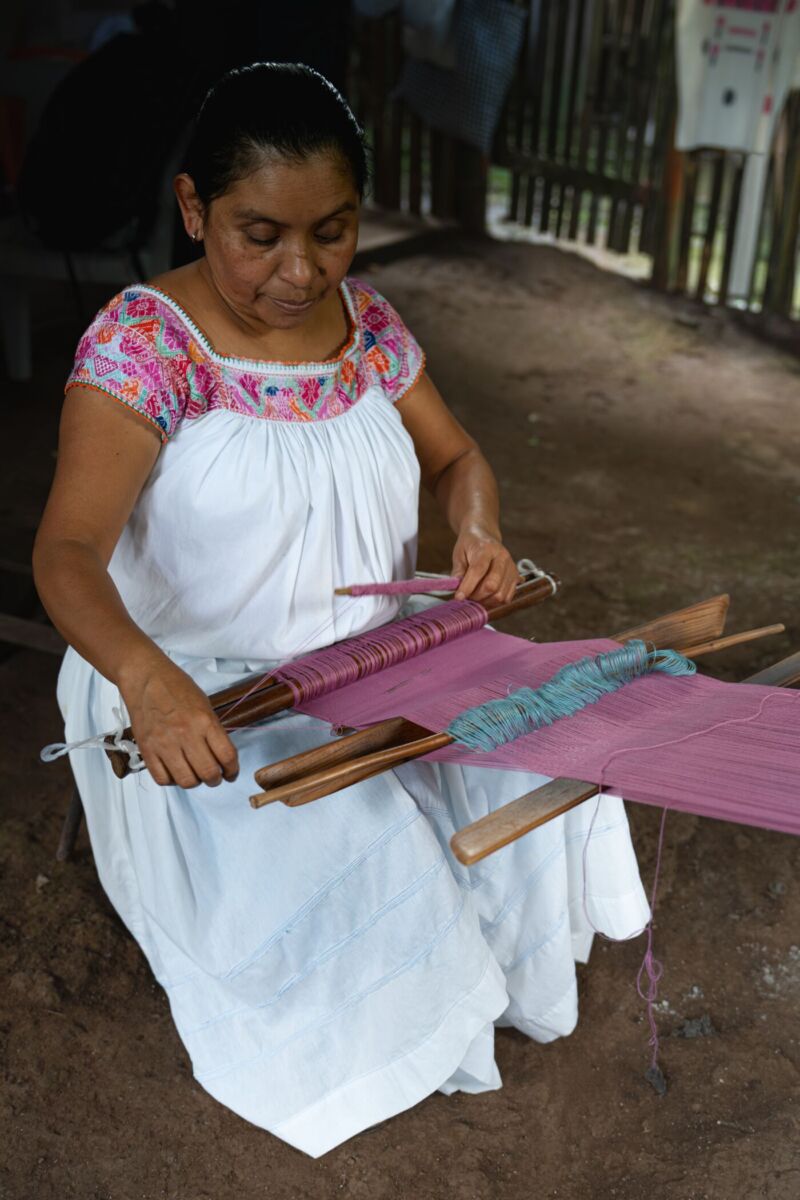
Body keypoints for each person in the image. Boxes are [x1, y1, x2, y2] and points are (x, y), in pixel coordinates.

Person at [33, 63, 649, 1157]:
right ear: (192, 210)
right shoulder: (145, 347)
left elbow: (456, 456)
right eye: (258, 234)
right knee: (374, 857)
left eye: (331, 230)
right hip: (208, 695)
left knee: (544, 766)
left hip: (377, 666)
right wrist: (147, 680)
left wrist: (475, 532)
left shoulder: (365, 323)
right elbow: (68, 554)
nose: (299, 270)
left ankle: (451, 984)